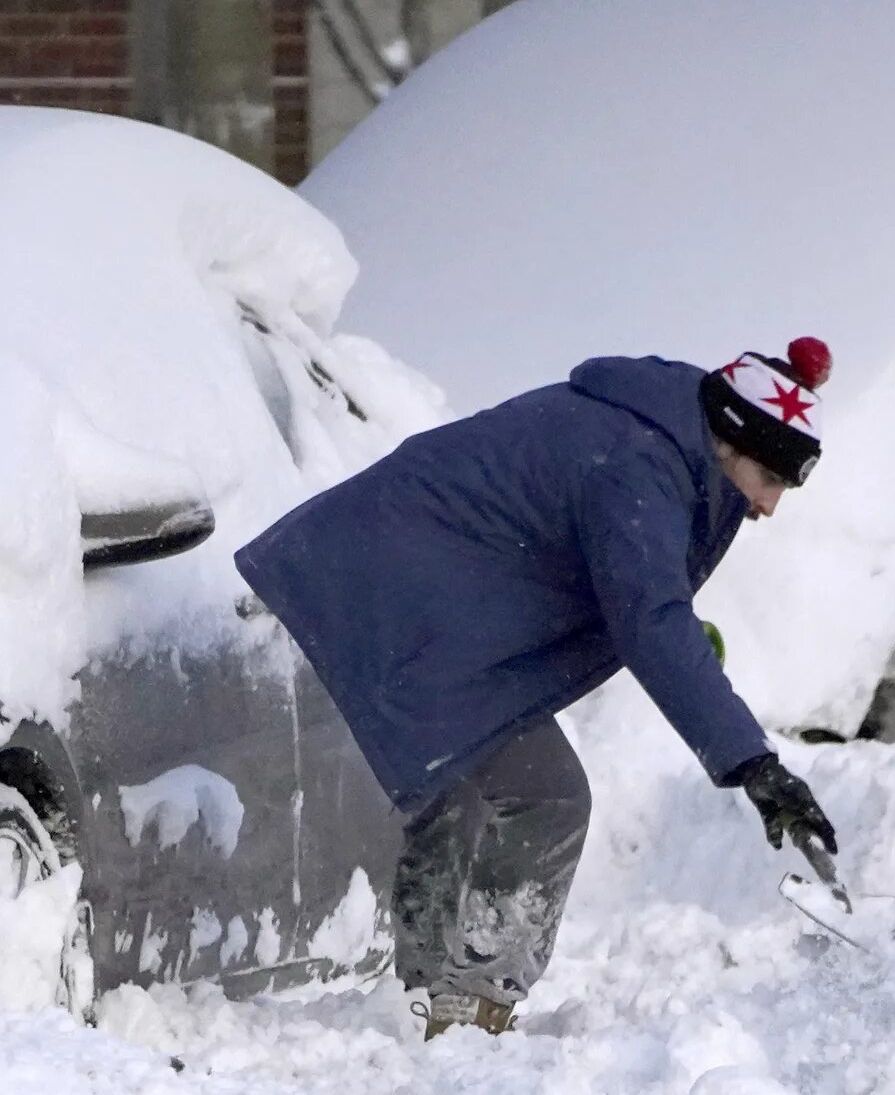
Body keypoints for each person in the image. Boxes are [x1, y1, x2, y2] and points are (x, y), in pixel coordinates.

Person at [235, 342, 842, 1037]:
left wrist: (669, 632)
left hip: (385, 590)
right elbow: (651, 617)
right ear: (732, 436)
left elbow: (643, 597)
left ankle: (426, 997)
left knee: (459, 789)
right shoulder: (639, 465)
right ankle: (472, 1009)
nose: (768, 505)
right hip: (395, 605)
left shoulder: (654, 438)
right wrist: (754, 763)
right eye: (768, 478)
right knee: (546, 799)